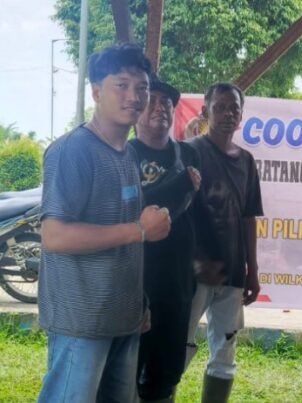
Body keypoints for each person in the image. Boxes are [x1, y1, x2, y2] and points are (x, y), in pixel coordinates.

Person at [38, 44, 171, 402]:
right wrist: (139, 230)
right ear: (96, 91)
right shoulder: (72, 151)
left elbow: (125, 238)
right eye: (121, 85)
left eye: (142, 87)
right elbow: (54, 236)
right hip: (81, 321)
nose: (134, 97)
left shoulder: (127, 154)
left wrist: (138, 302)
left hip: (123, 317)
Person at [185, 82, 263, 402]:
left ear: (241, 116)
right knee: (178, 348)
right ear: (206, 111)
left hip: (231, 274)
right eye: (221, 107)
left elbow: (249, 218)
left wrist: (252, 270)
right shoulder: (190, 152)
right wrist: (192, 262)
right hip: (193, 274)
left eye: (235, 109)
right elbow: (176, 214)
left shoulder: (246, 161)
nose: (229, 114)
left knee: (225, 354)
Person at [130, 75, 202, 402]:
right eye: (153, 100)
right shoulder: (124, 154)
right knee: (128, 369)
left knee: (168, 370)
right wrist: (180, 184)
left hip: (177, 278)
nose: (160, 107)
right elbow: (135, 210)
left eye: (167, 103)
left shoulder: (187, 155)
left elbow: (194, 210)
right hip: (137, 279)